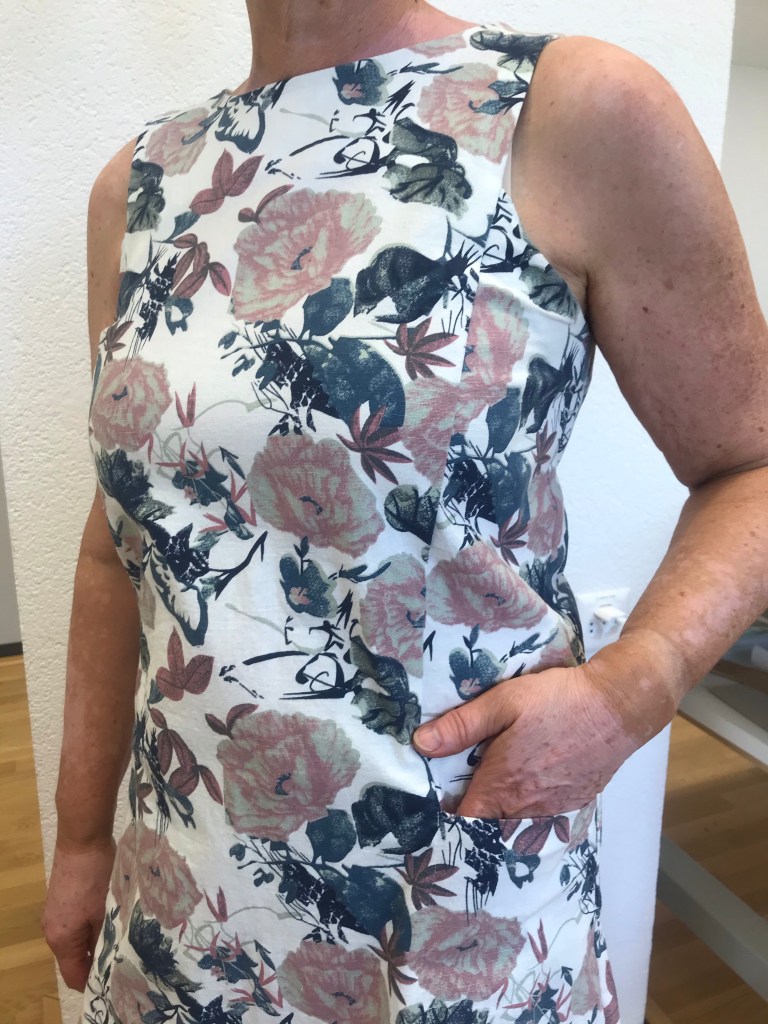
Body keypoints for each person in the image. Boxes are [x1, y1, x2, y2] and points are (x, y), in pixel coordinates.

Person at [43, 1, 768, 1022]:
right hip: (189, 895)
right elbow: (122, 540)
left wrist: (635, 690)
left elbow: (750, 463)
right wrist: (83, 840)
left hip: (454, 896)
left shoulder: (567, 109)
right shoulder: (141, 184)